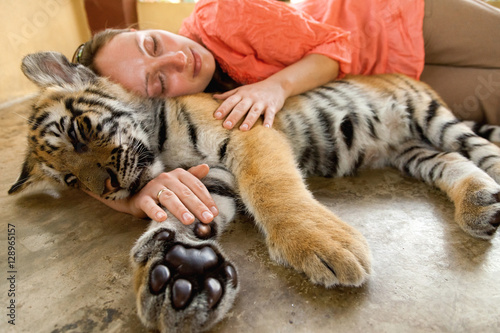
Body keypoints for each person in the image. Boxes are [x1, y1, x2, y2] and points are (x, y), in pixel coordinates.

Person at [72, 0, 500, 225]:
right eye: (159, 82)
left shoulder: (222, 14)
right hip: (385, 80)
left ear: (139, 29)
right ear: (152, 105)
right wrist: (132, 202)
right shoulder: (183, 105)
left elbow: (337, 49)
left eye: (153, 44)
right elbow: (75, 169)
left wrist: (274, 86)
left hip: (383, 18)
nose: (177, 61)